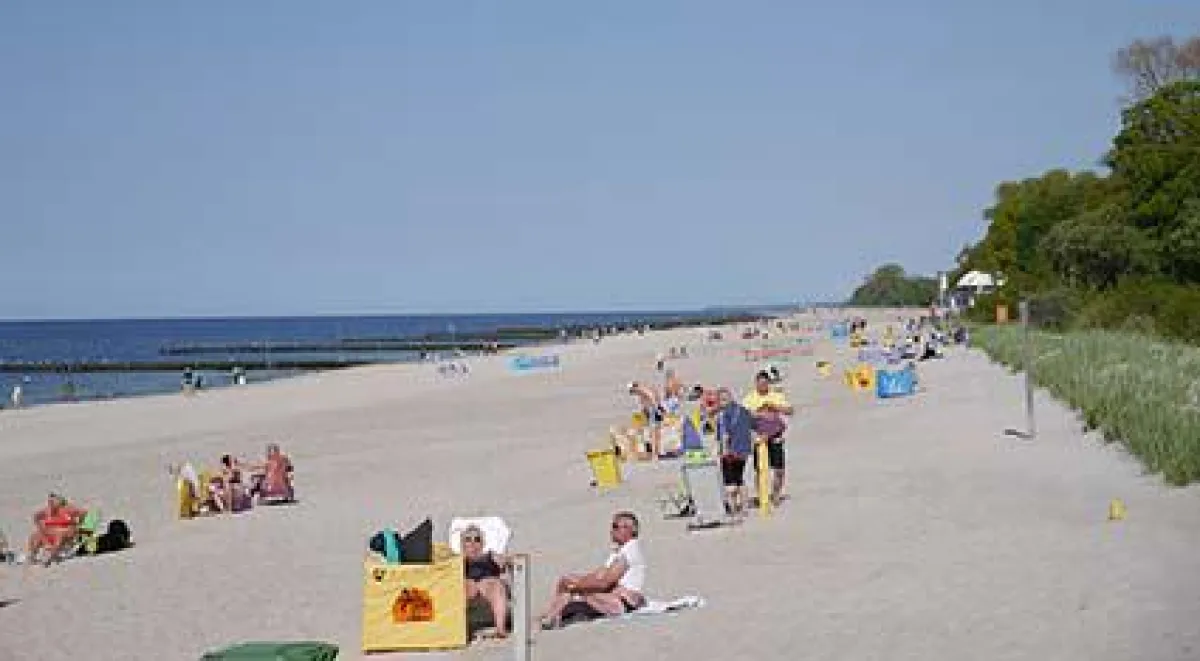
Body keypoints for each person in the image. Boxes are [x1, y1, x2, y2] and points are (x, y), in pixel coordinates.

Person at [538, 511, 647, 629]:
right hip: (613, 596)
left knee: (573, 586)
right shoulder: (619, 551)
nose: (612, 531)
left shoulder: (630, 550)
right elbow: (599, 574)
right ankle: (552, 615)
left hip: (623, 603)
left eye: (616, 526)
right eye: (612, 526)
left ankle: (551, 617)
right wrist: (578, 582)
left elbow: (605, 583)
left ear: (629, 529)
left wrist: (578, 587)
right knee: (567, 580)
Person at [742, 370, 794, 507]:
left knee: (779, 470)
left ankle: (776, 494)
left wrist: (774, 406)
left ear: (769, 384)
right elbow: (744, 418)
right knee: (760, 470)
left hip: (776, 436)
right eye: (760, 384)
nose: (762, 387)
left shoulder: (776, 396)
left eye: (765, 384)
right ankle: (762, 495)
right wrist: (757, 414)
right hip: (759, 437)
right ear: (756, 384)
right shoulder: (749, 398)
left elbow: (790, 411)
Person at [460, 525, 511, 639]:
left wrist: (504, 560)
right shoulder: (458, 560)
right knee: (464, 587)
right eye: (468, 540)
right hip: (468, 583)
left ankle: (500, 629)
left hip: (487, 581)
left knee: (496, 586)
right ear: (462, 544)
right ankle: (460, 630)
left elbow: (505, 562)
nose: (473, 543)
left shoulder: (490, 555)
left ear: (482, 543)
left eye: (477, 539)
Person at [716, 388, 754, 516]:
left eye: (722, 400)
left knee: (730, 482)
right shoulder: (743, 411)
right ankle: (745, 508)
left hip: (731, 452)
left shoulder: (723, 414)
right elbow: (753, 425)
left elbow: (725, 435)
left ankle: (733, 509)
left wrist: (723, 451)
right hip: (744, 451)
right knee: (739, 479)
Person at [26, 493, 84, 566]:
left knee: (59, 534)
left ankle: (51, 556)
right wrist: (40, 527)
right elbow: (36, 517)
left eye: (53, 501)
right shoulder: (46, 511)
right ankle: (32, 556)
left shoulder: (68, 509)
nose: (51, 503)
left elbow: (83, 513)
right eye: (49, 502)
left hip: (65, 534)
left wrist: (78, 526)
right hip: (51, 534)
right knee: (35, 536)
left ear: (59, 501)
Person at [628, 382, 664, 458]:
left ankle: (655, 451)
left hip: (652, 411)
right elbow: (647, 400)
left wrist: (657, 410)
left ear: (635, 388)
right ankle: (653, 450)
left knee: (653, 431)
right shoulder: (641, 391)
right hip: (649, 411)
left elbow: (652, 398)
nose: (633, 393)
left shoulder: (643, 390)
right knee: (651, 431)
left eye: (632, 391)